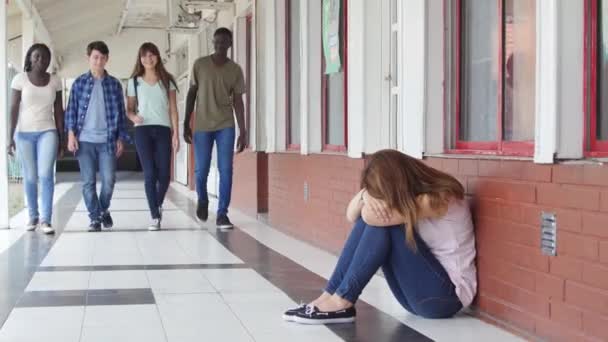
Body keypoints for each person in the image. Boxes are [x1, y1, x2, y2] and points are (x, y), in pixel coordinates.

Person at [283, 150, 477, 324]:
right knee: (372, 221)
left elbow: (370, 217)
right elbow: (352, 215)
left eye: (383, 192)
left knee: (384, 226)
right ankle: (329, 296)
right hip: (417, 297)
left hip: (445, 298)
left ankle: (342, 301)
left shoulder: (440, 198)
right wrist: (365, 197)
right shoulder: (412, 198)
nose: (382, 198)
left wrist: (367, 198)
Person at [183, 27, 247, 230]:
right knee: (201, 171)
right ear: (213, 42)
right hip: (202, 124)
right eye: (216, 42)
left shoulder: (235, 70)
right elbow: (191, 94)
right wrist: (186, 122)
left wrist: (243, 130)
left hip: (225, 125)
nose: (220, 45)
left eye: (224, 42)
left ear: (230, 44)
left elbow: (238, 100)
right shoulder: (200, 65)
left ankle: (222, 214)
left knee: (226, 170)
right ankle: (202, 199)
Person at [64, 41, 130, 232]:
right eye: (95, 57)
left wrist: (120, 138)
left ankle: (102, 210)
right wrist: (70, 135)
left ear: (107, 59)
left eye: (102, 58)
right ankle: (95, 218)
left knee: (109, 181)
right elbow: (71, 111)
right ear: (89, 58)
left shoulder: (114, 84)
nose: (98, 61)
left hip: (107, 140)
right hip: (84, 141)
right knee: (88, 182)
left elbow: (120, 113)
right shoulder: (79, 83)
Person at [8, 43, 63, 234]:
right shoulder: (19, 79)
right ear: (30, 58)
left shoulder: (55, 81)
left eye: (45, 57)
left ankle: (46, 220)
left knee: (46, 174)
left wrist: (61, 139)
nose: (41, 60)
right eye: (37, 56)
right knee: (30, 176)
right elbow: (13, 109)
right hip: (24, 135)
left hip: (48, 131)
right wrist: (9, 138)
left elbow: (58, 111)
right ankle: (33, 216)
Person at [126, 42, 179, 231]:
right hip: (142, 130)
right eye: (144, 56)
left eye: (152, 55)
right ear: (140, 59)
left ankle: (157, 203)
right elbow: (129, 109)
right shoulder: (133, 82)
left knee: (164, 175)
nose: (148, 59)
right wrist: (134, 117)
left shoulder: (167, 80)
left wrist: (176, 134)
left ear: (157, 56)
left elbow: (173, 108)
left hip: (163, 130)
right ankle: (155, 216)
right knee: (149, 174)